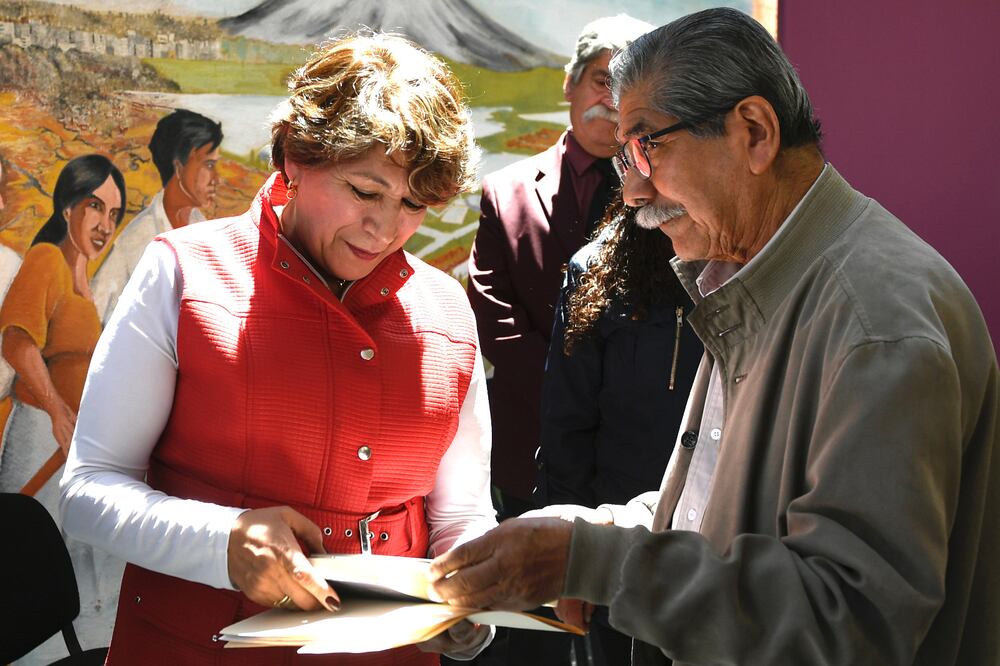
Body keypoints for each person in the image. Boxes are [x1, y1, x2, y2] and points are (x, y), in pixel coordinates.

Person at [428, 8, 999, 666]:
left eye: (647, 146)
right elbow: (722, 514)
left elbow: (848, 620)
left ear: (753, 132)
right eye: (622, 158)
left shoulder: (875, 320)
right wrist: (595, 534)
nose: (634, 193)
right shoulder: (758, 276)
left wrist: (607, 564)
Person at [60, 33, 497, 665]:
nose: (386, 229)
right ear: (295, 155)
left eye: (415, 204)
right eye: (366, 192)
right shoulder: (183, 273)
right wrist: (221, 542)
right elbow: (89, 489)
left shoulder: (448, 309)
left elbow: (461, 515)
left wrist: (471, 603)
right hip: (196, 649)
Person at [467, 14, 653, 520]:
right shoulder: (506, 191)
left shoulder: (664, 193)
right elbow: (492, 311)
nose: (611, 101)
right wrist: (567, 387)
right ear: (569, 83)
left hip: (635, 454)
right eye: (601, 80)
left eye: (625, 89)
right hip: (527, 440)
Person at [534, 199, 702, 665]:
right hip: (615, 549)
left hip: (719, 548)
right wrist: (573, 562)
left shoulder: (743, 263)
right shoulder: (598, 268)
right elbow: (566, 426)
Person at [0, 153, 127, 662]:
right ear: (68, 207)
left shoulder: (83, 285)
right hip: (40, 439)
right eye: (95, 206)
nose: (105, 224)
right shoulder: (46, 259)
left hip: (67, 442)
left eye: (115, 214)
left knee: (59, 569)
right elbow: (15, 339)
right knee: (23, 573)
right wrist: (56, 410)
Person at [90, 108, 222, 324]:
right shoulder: (139, 240)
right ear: (179, 167)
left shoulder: (202, 228)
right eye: (208, 165)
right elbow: (97, 315)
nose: (216, 178)